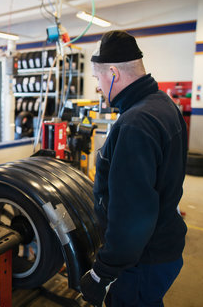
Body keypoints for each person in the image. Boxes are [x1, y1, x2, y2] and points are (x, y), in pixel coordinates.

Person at [79, 30, 188, 307]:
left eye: (98, 78)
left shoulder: (135, 123)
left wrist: (103, 272)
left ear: (113, 73)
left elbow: (133, 213)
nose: (99, 87)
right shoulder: (163, 104)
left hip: (142, 260)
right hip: (164, 245)